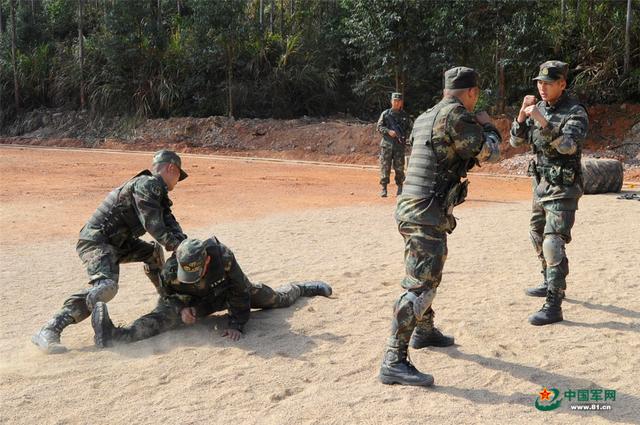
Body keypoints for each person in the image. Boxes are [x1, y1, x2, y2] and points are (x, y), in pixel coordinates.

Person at [378, 67, 501, 387]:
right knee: (421, 284)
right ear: (472, 93)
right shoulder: (457, 116)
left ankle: (424, 330)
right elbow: (488, 152)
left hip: (412, 206)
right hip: (425, 211)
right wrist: (490, 127)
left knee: (428, 271)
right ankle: (394, 358)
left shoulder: (426, 116)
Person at [32, 150, 189, 354]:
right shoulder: (148, 184)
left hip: (118, 242)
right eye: (178, 175)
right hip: (97, 241)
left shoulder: (157, 192)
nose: (177, 181)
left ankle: (168, 300)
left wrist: (186, 244)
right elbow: (153, 224)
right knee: (106, 287)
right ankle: (50, 329)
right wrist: (177, 246)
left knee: (153, 253)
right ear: (171, 168)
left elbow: (169, 222)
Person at [91, 237, 333, 346]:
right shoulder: (170, 270)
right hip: (194, 302)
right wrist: (183, 310)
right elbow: (166, 299)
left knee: (274, 299)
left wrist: (236, 324)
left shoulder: (222, 256)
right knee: (163, 318)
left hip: (225, 292)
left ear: (206, 260)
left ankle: (302, 288)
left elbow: (240, 290)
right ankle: (115, 336)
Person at [510, 60, 588, 326]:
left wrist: (543, 122)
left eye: (548, 83)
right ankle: (547, 279)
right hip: (541, 184)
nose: (542, 88)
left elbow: (568, 146)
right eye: (539, 82)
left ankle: (554, 304)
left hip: (564, 186)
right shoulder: (537, 108)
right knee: (536, 233)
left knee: (553, 242)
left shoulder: (575, 112)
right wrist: (521, 116)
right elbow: (515, 142)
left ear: (562, 84)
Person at [376, 92, 413, 197]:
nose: (396, 103)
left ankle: (400, 187)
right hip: (387, 145)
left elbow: (411, 128)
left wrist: (407, 138)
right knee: (385, 166)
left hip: (399, 146)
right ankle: (384, 188)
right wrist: (388, 131)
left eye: (398, 101)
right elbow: (379, 127)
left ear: (401, 103)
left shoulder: (405, 116)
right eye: (395, 101)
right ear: (391, 101)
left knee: (399, 167)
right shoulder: (386, 114)